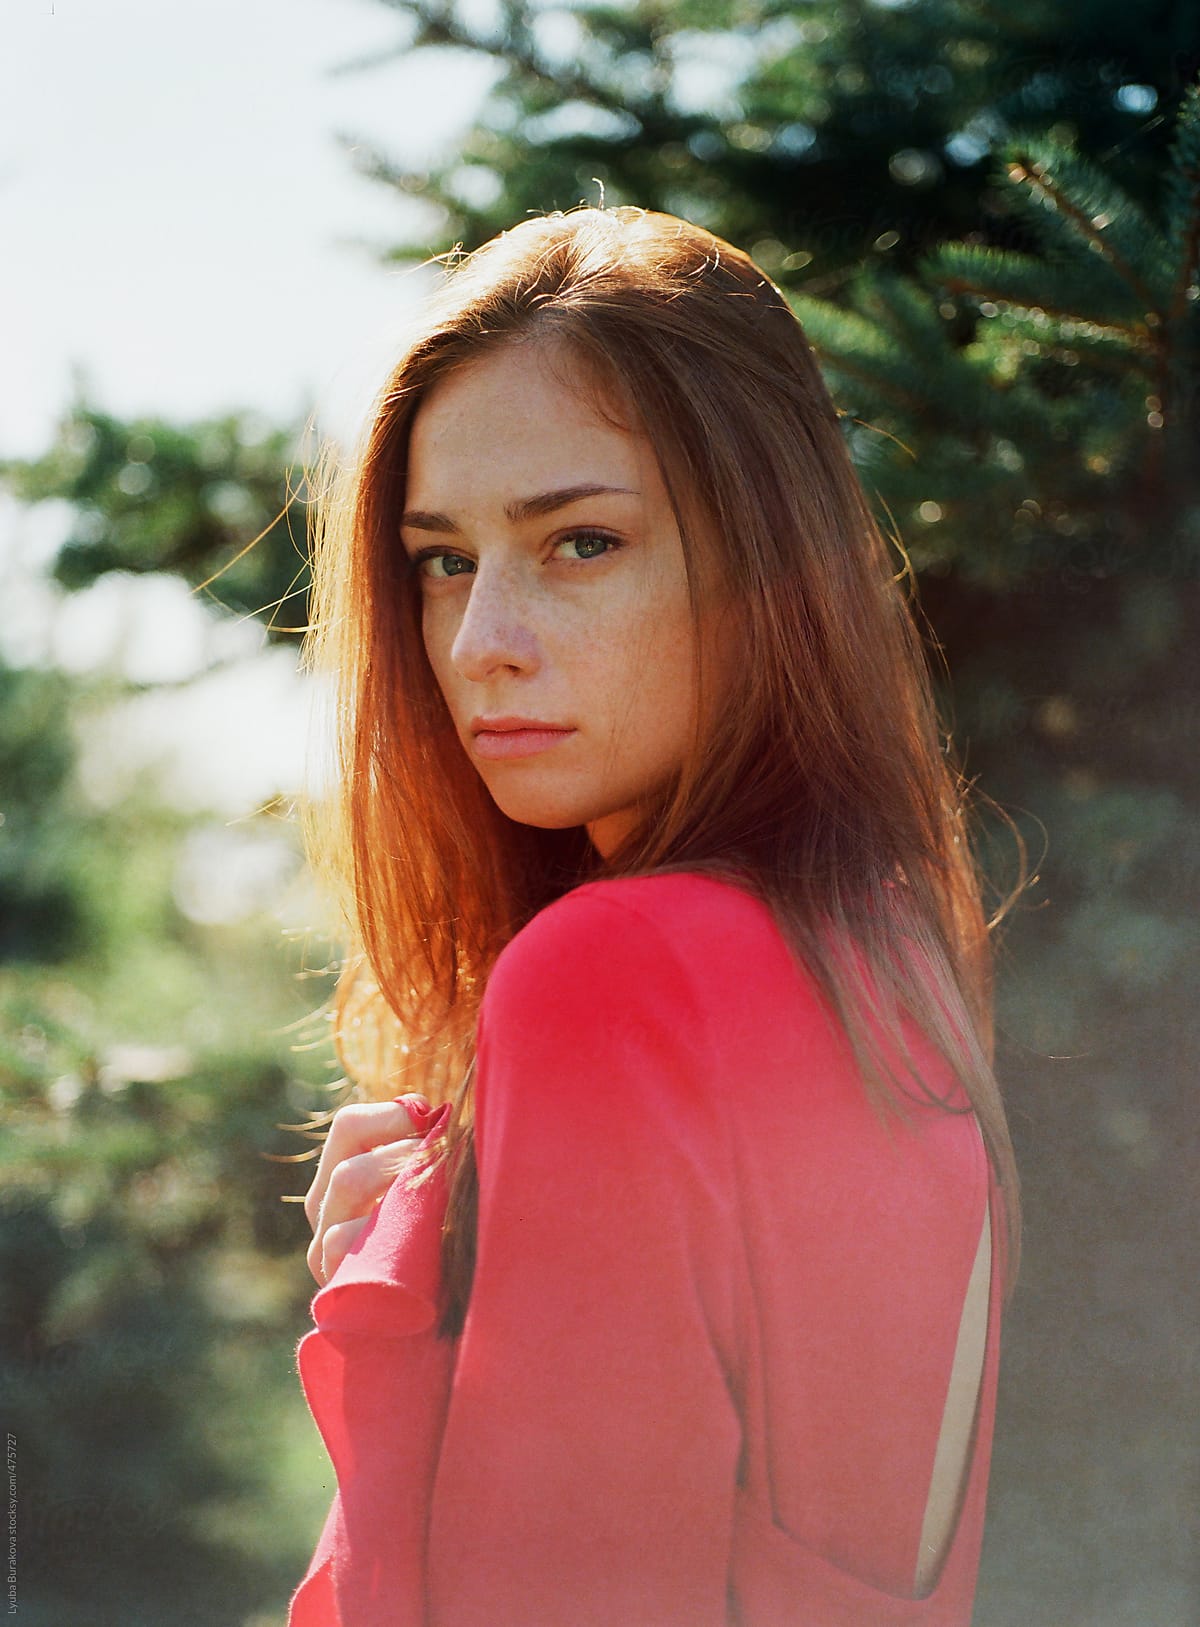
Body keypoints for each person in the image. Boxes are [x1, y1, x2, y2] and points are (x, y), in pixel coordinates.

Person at [287, 204, 1022, 1627]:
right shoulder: (888, 970)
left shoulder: (616, 975)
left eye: (580, 543)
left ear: (767, 563)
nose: (484, 640)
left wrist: (381, 1332)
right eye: (443, 561)